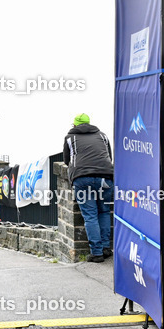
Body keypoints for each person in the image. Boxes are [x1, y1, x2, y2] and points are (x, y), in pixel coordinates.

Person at [62, 113, 114, 263]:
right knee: (104, 211)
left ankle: (96, 253)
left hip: (82, 178)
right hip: (105, 177)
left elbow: (67, 161)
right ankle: (106, 248)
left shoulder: (70, 138)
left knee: (90, 215)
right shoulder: (103, 136)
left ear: (75, 125)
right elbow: (109, 157)